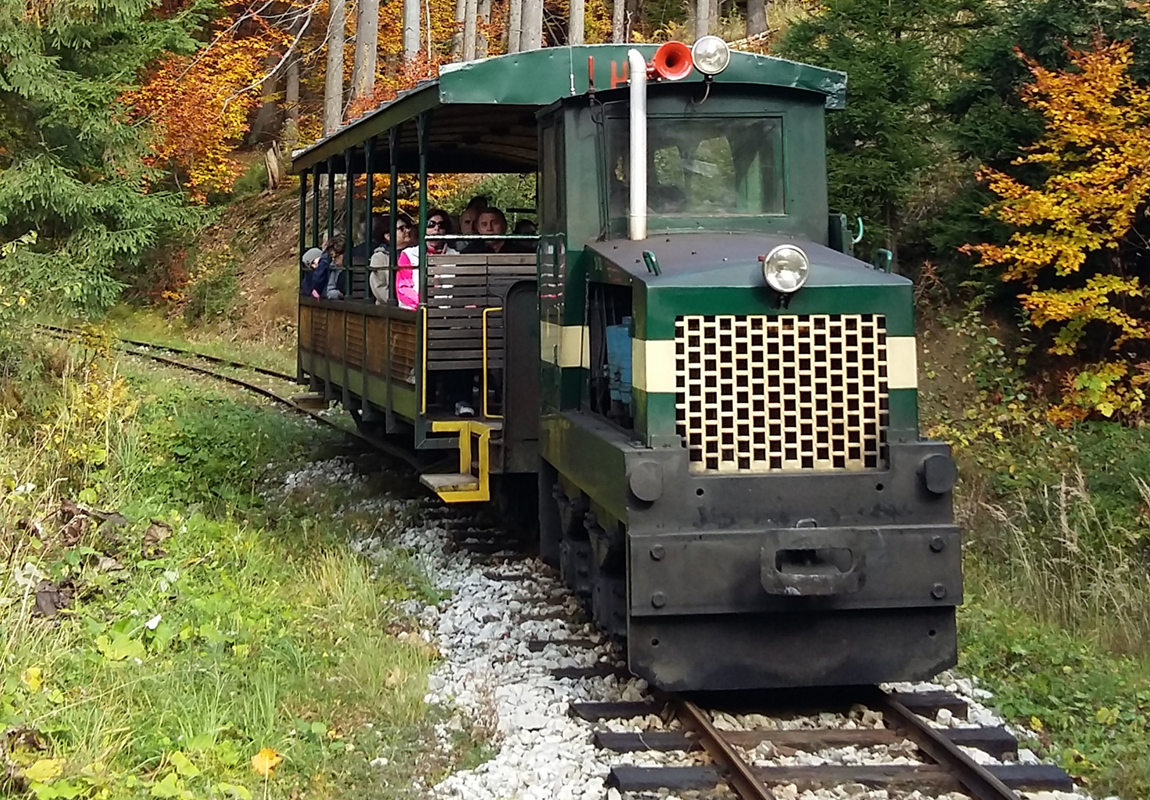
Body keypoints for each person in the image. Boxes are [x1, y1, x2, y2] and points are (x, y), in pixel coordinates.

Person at [395, 209, 458, 309]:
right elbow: (403, 289)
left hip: (448, 313)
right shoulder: (409, 255)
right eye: (431, 224)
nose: (436, 228)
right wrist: (424, 305)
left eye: (441, 225)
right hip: (415, 313)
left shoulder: (455, 256)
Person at [368, 212, 415, 305]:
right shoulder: (380, 257)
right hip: (389, 310)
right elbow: (379, 288)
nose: (407, 230)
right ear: (388, 236)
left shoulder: (414, 253)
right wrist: (400, 302)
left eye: (407, 227)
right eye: (402, 228)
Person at [322, 236, 347, 300]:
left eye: (336, 257)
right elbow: (329, 291)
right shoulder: (334, 268)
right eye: (332, 257)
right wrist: (338, 294)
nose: (333, 260)